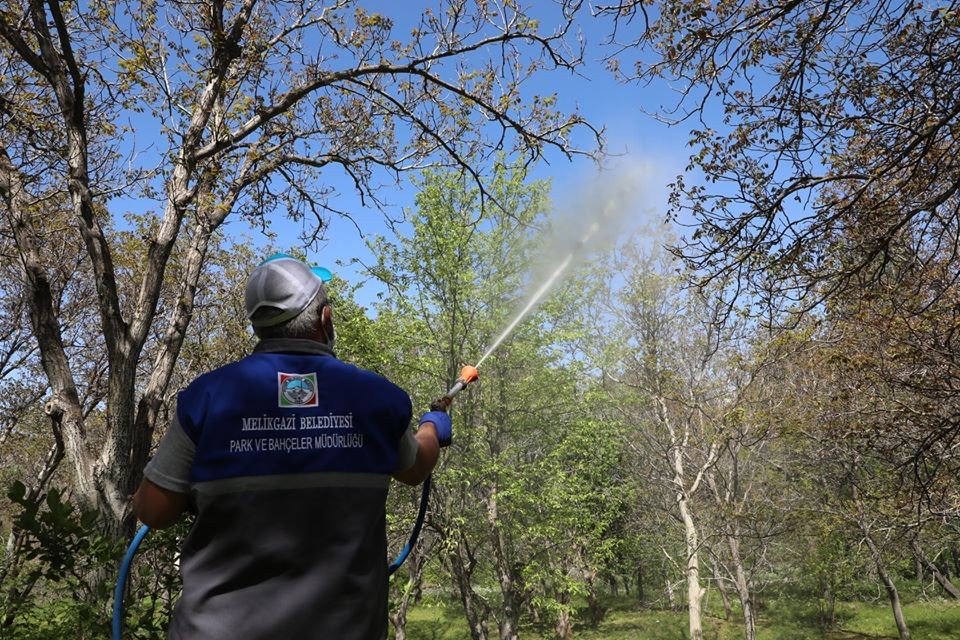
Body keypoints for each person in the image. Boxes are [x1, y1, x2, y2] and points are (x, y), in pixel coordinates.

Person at [131, 253, 451, 640]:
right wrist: (433, 426)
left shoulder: (209, 398)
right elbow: (416, 470)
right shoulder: (376, 398)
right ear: (325, 319)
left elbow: (153, 510)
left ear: (258, 327)